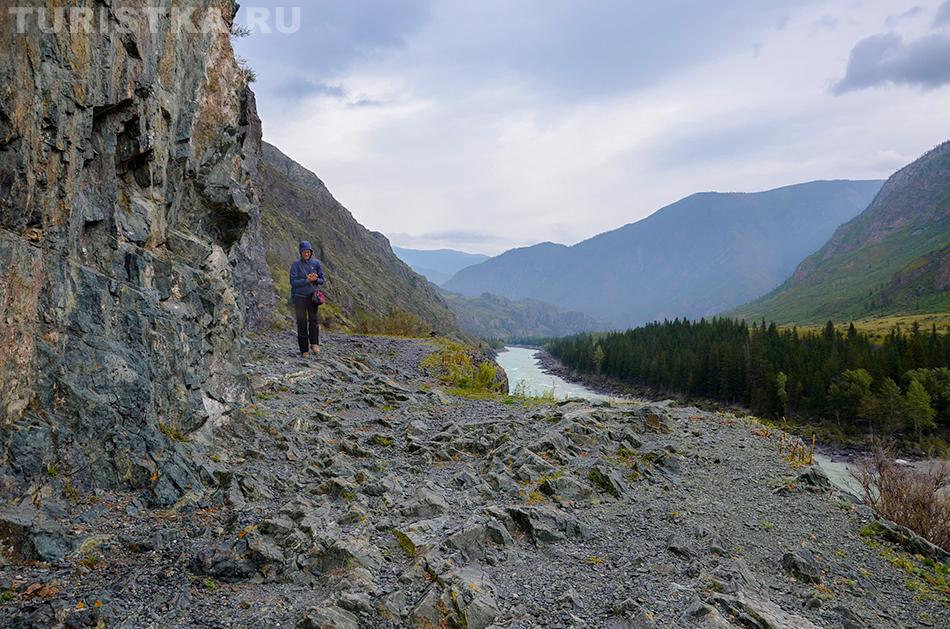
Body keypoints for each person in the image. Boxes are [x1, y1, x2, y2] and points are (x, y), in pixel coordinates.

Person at [289, 241, 325, 356]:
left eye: (308, 252)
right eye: (304, 252)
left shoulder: (317, 263)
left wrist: (315, 280)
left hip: (312, 297)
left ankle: (314, 344)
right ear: (301, 252)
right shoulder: (295, 265)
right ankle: (304, 350)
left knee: (313, 321)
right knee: (302, 323)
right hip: (299, 298)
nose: (306, 254)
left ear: (311, 252)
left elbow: (322, 280)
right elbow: (293, 282)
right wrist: (306, 281)